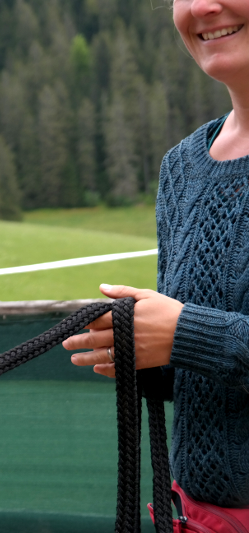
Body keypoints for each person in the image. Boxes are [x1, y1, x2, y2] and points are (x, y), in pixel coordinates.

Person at [63, 0, 249, 510]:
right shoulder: (184, 167)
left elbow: (201, 337)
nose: (203, 6)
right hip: (198, 516)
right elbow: (205, 375)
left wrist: (185, 333)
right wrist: (140, 347)